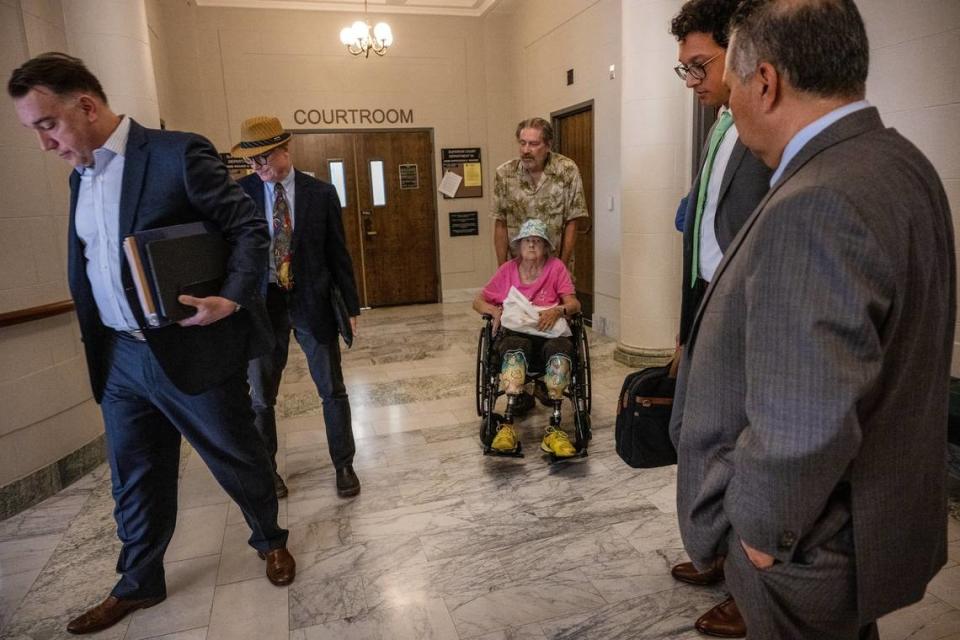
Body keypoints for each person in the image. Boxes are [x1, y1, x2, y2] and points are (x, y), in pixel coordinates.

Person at [671, 0, 955, 638]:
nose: (730, 102)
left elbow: (801, 418)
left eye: (734, 82)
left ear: (765, 82)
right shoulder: (898, 163)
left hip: (807, 549)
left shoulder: (817, 199)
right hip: (862, 522)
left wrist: (761, 536)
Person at [7, 53, 295, 635]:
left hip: (191, 345)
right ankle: (139, 582)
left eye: (47, 125)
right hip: (120, 356)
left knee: (236, 455)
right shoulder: (78, 176)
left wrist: (232, 299)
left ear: (85, 105)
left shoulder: (176, 153)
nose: (45, 144)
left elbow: (247, 227)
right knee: (134, 475)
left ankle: (269, 539)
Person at [668, 1, 772, 635]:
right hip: (707, 302)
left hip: (748, 318)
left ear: (738, 51)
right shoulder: (718, 124)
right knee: (693, 436)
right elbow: (703, 226)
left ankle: (745, 584)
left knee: (732, 447)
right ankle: (712, 548)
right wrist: (686, 326)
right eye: (684, 71)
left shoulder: (766, 128)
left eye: (698, 66)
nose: (693, 82)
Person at [233, 116, 363, 500]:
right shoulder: (241, 194)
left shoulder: (320, 193)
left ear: (284, 151)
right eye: (252, 163)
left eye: (263, 160)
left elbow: (338, 253)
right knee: (261, 396)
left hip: (311, 301)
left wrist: (351, 305)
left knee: (332, 389)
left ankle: (344, 464)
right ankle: (266, 471)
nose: (257, 169)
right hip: (263, 304)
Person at [473, 218, 582, 458]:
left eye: (537, 242)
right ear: (519, 246)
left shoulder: (556, 268)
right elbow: (478, 301)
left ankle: (555, 426)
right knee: (513, 348)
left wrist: (558, 310)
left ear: (545, 247)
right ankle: (508, 425)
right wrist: (495, 311)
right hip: (516, 334)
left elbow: (574, 303)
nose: (531, 246)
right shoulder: (507, 270)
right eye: (527, 241)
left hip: (549, 331)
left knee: (560, 352)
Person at [491, 117, 588, 269]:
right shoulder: (505, 173)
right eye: (522, 143)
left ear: (548, 145)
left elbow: (572, 222)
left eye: (533, 144)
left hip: (555, 264)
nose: (526, 150)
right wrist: (502, 270)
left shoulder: (567, 170)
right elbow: (500, 223)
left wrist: (561, 268)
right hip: (518, 268)